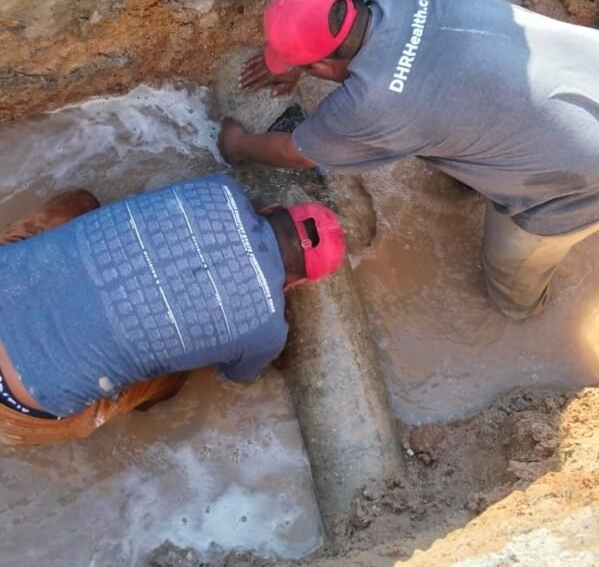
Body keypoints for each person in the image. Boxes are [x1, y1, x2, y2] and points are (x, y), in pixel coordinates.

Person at [219, 0, 599, 322]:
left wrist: (239, 145)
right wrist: (300, 61)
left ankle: (530, 320)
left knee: (510, 276)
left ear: (320, 65)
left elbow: (296, 153)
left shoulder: (373, 104)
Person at [0, 174, 346, 448]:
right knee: (172, 380)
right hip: (15, 404)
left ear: (270, 208)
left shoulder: (221, 187)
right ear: (297, 283)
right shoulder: (268, 330)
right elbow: (237, 378)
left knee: (80, 203)